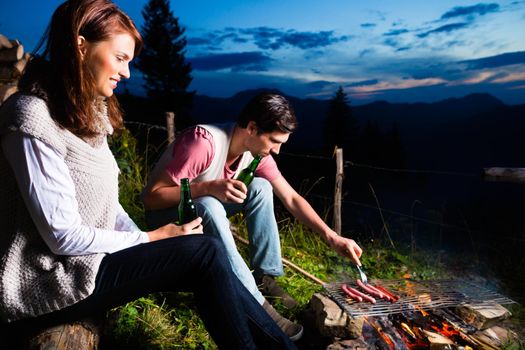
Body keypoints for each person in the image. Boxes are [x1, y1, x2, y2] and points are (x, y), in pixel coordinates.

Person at [0, 1, 297, 349]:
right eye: (121, 58)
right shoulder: (30, 117)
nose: (126, 73)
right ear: (81, 46)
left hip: (87, 263)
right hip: (44, 282)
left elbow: (110, 207)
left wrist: (151, 237)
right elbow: (61, 237)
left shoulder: (88, 118)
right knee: (204, 253)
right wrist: (152, 240)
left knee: (204, 252)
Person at [141, 93, 363, 338]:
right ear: (252, 128)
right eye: (274, 141)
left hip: (201, 217)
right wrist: (207, 187)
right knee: (209, 205)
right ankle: (254, 302)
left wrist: (332, 237)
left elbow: (291, 198)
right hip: (166, 223)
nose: (277, 150)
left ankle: (265, 277)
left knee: (261, 187)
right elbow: (151, 198)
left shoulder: (255, 155)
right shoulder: (202, 143)